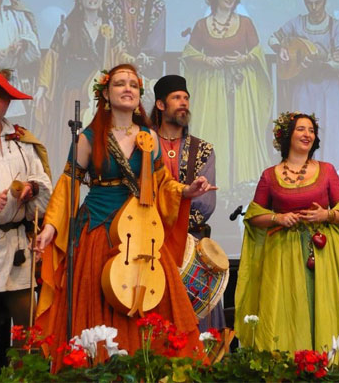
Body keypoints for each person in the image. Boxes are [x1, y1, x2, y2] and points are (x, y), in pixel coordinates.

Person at [35, 64, 216, 371]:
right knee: (95, 302)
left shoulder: (149, 136)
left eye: (133, 84)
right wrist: (50, 226)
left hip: (142, 232)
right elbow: (68, 185)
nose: (128, 88)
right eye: (120, 83)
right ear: (106, 94)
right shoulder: (89, 138)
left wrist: (186, 191)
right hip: (97, 229)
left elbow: (162, 184)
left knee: (151, 300)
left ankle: (148, 370)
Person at [234, 112, 339, 355]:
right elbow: (254, 217)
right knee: (288, 308)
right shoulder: (269, 175)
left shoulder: (327, 171)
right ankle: (289, 365)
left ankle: (326, 364)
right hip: (283, 255)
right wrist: (278, 218)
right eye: (301, 129)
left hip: (323, 252)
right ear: (287, 135)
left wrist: (325, 216)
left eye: (311, 130)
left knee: (323, 306)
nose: (307, 134)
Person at [0, 71, 52, 367]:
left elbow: (42, 181)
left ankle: (22, 378)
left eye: (1, 97)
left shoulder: (21, 141)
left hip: (18, 247)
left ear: (8, 103)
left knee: (27, 323)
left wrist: (31, 189)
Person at [150, 74, 226, 332]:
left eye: (186, 98)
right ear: (160, 105)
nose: (183, 103)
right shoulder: (144, 145)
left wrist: (172, 217)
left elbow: (205, 206)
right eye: (176, 98)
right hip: (150, 244)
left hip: (191, 246)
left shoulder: (203, 149)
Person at [182, 0, 272, 191]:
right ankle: (213, 182)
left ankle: (242, 185)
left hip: (240, 88)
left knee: (240, 131)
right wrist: (207, 60)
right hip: (212, 88)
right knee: (215, 130)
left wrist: (244, 59)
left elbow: (258, 52)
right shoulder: (202, 25)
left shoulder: (246, 23)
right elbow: (189, 54)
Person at [269, 0, 339, 175]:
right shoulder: (297, 23)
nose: (314, 7)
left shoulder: (335, 26)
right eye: (310, 2)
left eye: (317, 2)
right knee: (302, 127)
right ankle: (301, 168)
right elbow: (272, 39)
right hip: (303, 83)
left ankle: (332, 170)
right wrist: (282, 50)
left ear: (324, 1)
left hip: (328, 84)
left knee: (329, 125)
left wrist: (321, 60)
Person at [35, 0, 112, 171]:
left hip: (99, 93)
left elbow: (116, 56)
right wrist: (43, 87)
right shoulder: (69, 26)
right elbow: (53, 55)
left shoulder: (109, 27)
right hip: (74, 90)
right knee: (73, 136)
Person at [109, 0, 165, 81]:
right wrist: (126, 58)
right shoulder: (108, 4)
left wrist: (141, 59)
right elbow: (109, 39)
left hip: (148, 71)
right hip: (117, 67)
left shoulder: (157, 5)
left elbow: (157, 43)